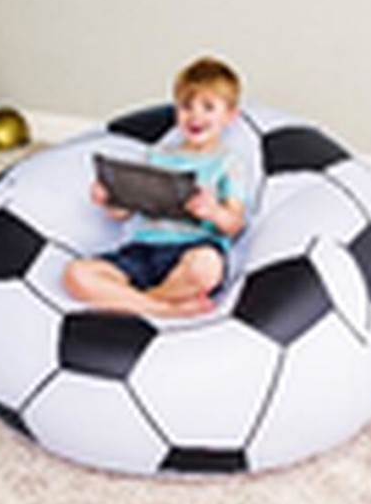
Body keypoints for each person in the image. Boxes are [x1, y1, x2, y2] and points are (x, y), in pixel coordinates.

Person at [63, 57, 250, 318]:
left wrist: (213, 211)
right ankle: (162, 307)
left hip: (192, 250)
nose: (195, 116)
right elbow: (123, 212)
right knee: (76, 275)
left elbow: (235, 224)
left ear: (230, 116)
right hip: (143, 250)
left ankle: (138, 299)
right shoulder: (157, 155)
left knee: (207, 267)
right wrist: (109, 199)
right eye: (186, 106)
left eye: (208, 107)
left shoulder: (228, 162)